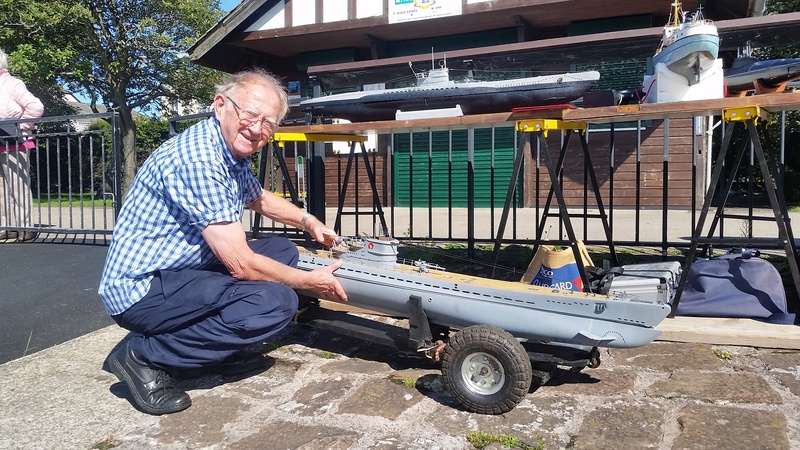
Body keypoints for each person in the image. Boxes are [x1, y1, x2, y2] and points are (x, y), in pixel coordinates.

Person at [98, 68, 348, 415]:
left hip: (182, 269)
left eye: (268, 123)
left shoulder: (229, 151)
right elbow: (240, 263)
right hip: (142, 289)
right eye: (250, 114)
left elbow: (257, 197)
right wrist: (309, 283)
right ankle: (142, 356)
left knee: (282, 250)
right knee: (275, 303)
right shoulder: (199, 160)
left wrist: (308, 221)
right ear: (220, 105)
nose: (258, 128)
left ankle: (214, 350)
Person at [0, 47, 44, 242]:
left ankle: (24, 228)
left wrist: (20, 127)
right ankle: (7, 227)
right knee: (1, 189)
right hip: (0, 142)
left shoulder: (13, 84)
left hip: (17, 143)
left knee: (18, 187)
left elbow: (36, 106)